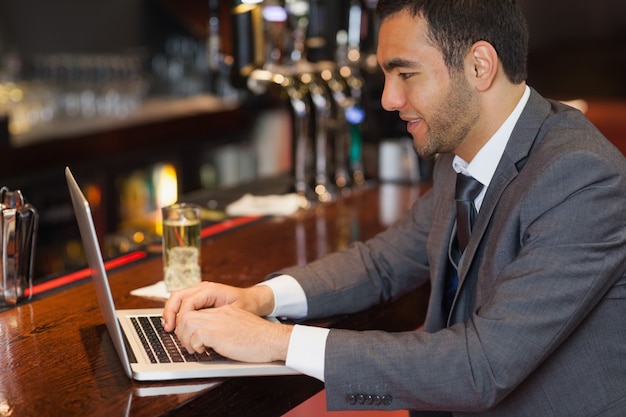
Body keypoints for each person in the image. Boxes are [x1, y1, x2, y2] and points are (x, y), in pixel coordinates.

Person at [162, 0, 626, 415]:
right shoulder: (461, 154)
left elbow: (479, 369)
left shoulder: (582, 178)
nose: (388, 99)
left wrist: (275, 342)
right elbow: (383, 262)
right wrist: (259, 299)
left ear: (480, 66)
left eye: (405, 74)